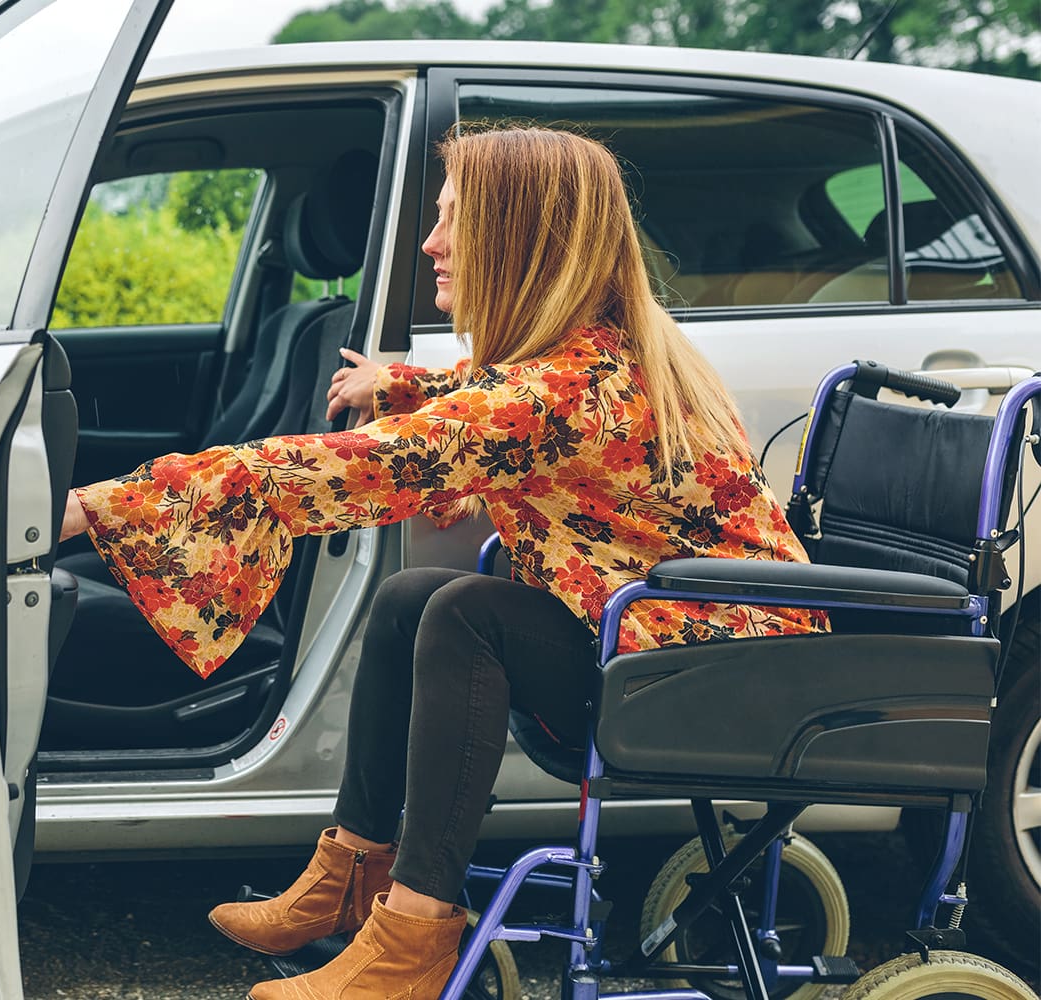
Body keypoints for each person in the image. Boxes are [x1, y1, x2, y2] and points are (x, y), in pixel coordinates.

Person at [56, 125, 825, 999]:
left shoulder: (567, 394)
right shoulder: (590, 358)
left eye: (454, 220)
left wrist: (104, 504)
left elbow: (362, 464)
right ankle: (348, 877)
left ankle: (413, 937)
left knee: (468, 615)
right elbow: (493, 399)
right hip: (674, 640)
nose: (430, 242)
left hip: (715, 672)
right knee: (413, 594)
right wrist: (406, 384)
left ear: (521, 242)